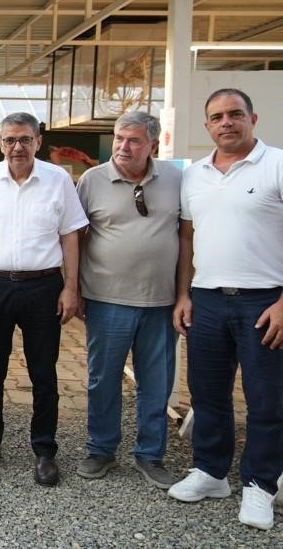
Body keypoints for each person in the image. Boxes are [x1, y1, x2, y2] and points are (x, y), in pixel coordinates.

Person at [169, 88, 283, 531]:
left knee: (265, 399)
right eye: (217, 116)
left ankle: (259, 485)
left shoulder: (276, 164)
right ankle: (212, 472)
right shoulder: (194, 175)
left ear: (253, 117)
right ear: (207, 125)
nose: (226, 123)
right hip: (208, 299)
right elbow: (186, 238)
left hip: (264, 300)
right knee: (208, 393)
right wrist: (184, 294)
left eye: (235, 114)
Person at [0, 111, 88, 486]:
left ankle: (45, 450)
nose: (17, 147)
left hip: (42, 287)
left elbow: (70, 236)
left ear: (38, 141)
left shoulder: (58, 180)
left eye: (25, 140)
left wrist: (71, 287)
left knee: (43, 373)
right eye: (10, 140)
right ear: (0, 143)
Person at [75, 111, 182, 489]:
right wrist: (73, 288)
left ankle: (150, 455)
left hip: (161, 301)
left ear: (153, 144)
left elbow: (186, 236)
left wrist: (184, 293)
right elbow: (76, 238)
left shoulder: (176, 178)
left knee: (156, 382)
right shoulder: (92, 180)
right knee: (102, 379)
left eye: (134, 140)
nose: (123, 146)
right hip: (106, 299)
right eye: (120, 138)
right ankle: (101, 449)